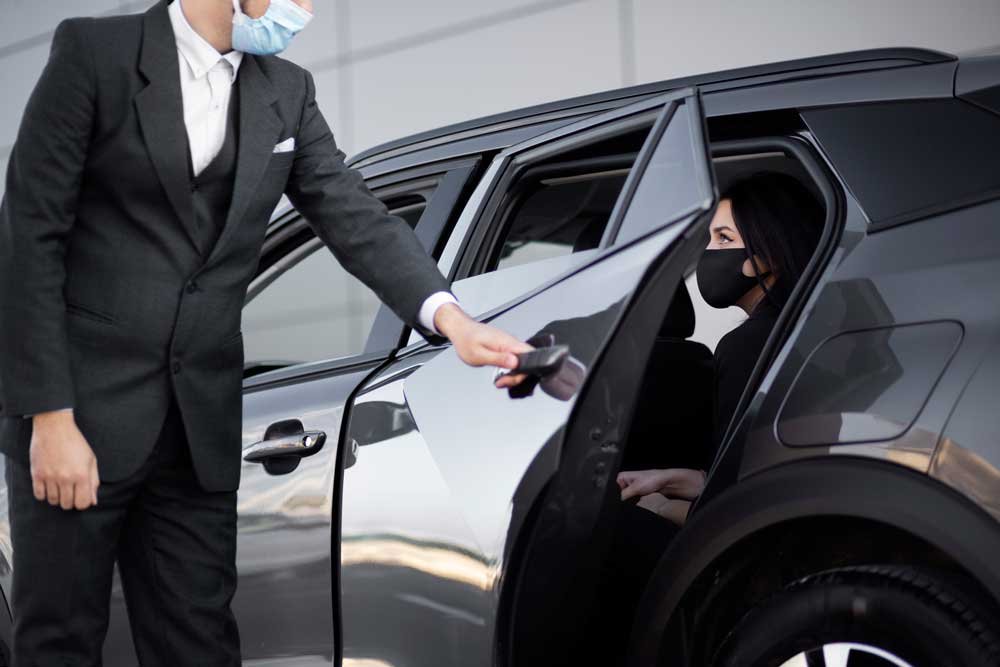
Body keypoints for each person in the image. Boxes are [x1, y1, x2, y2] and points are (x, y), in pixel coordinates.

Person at [0, 1, 532, 664]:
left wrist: (453, 321)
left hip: (197, 429)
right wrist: (49, 416)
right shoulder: (95, 54)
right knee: (59, 643)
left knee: (200, 644)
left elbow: (353, 216)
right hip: (80, 417)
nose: (303, 8)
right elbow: (29, 238)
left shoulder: (287, 90)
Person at [617, 170, 824, 526]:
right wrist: (684, 478)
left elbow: (742, 505)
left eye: (724, 238)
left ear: (768, 256)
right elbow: (758, 468)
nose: (709, 252)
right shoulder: (806, 331)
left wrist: (661, 508)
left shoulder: (749, 344)